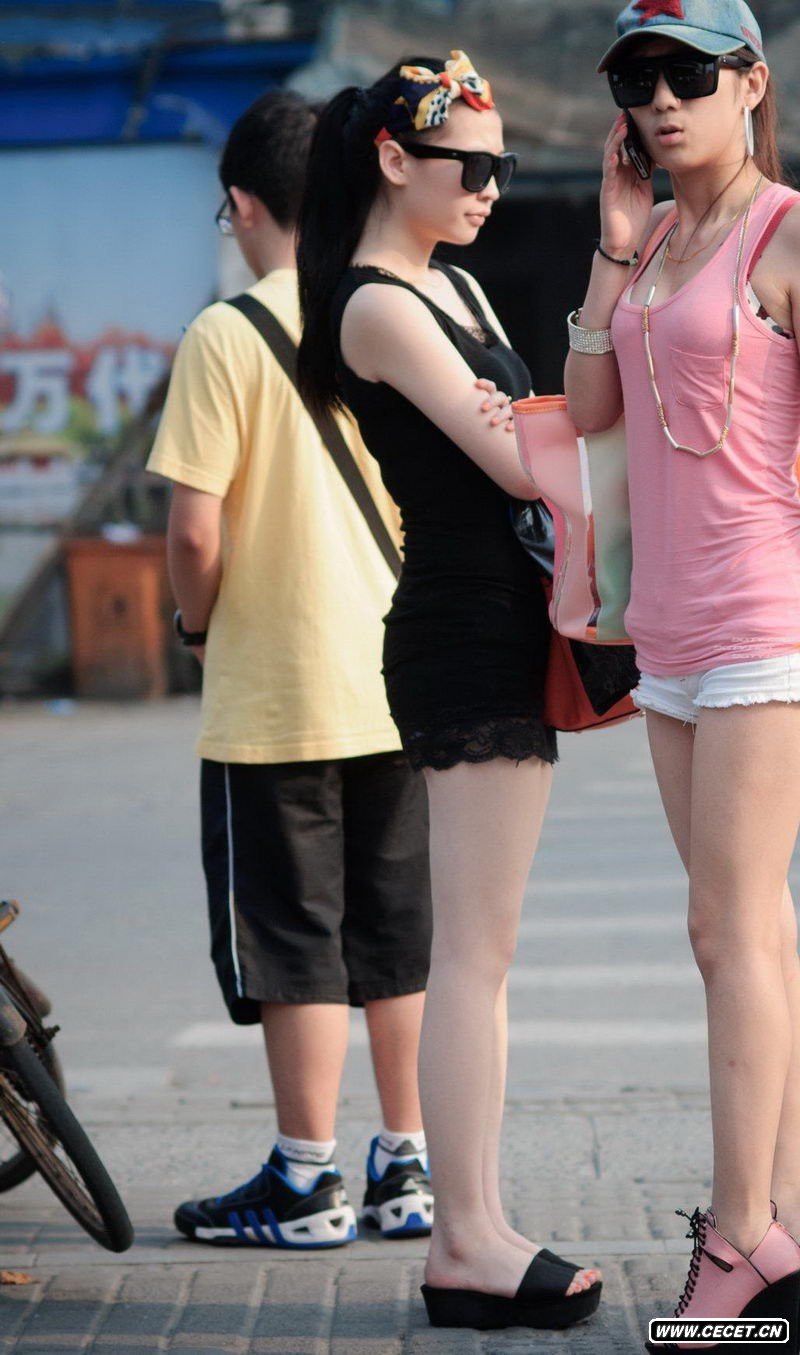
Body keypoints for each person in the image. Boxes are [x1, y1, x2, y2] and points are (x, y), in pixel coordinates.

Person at [296, 52, 602, 1330]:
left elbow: (538, 425)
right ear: (390, 158)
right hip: (457, 632)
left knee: (487, 949)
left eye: (499, 166)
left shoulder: (454, 284)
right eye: (467, 164)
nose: (488, 186)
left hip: (501, 622)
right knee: (469, 953)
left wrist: (528, 417)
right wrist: (525, 422)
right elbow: (523, 459)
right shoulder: (373, 304)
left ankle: (478, 1221)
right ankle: (463, 1238)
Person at [146, 89, 435, 1250]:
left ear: (245, 204)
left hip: (274, 693)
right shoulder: (392, 308)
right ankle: (406, 1162)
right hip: (399, 677)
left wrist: (196, 626)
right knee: (395, 930)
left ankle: (305, 1178)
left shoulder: (224, 335)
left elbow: (193, 533)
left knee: (292, 935)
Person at [565, 0, 800, 1344]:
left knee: (728, 928)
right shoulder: (653, 239)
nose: (658, 99)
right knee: (755, 932)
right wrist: (611, 248)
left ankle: (738, 1234)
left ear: (750, 83)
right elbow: (589, 408)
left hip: (767, 619)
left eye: (688, 73)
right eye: (635, 77)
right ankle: (786, 1219)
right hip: (667, 628)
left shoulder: (786, 233)